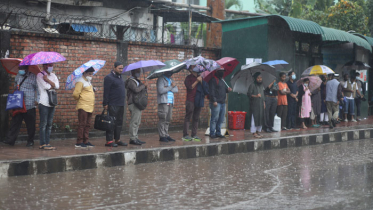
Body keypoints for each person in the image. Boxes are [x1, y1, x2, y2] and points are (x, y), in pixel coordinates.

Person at [3, 66, 38, 147]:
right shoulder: (18, 76)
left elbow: (38, 89)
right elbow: (15, 85)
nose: (20, 70)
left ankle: (30, 141)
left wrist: (37, 100)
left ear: (26, 69)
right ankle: (10, 140)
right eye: (19, 68)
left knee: (30, 124)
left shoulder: (33, 76)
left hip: (29, 104)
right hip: (18, 103)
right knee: (15, 122)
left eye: (22, 68)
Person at [103, 61, 126, 147]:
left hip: (120, 104)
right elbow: (106, 92)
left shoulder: (120, 77)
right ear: (114, 68)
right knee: (111, 123)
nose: (121, 70)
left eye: (122, 68)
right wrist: (105, 103)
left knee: (119, 123)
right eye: (119, 68)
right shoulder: (109, 78)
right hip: (113, 104)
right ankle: (109, 140)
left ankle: (117, 139)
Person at [182, 66, 209, 141]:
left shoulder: (201, 78)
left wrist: (201, 81)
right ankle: (185, 134)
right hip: (190, 100)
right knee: (188, 117)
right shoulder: (188, 78)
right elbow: (190, 87)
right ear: (190, 70)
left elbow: (206, 91)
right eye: (193, 68)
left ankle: (194, 134)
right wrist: (197, 81)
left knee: (196, 118)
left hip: (199, 100)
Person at [37, 63, 59, 150]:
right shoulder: (40, 75)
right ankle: (42, 143)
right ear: (44, 66)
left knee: (49, 124)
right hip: (43, 102)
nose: (50, 67)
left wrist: (48, 80)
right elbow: (46, 87)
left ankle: (47, 142)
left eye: (51, 65)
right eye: (48, 65)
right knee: (43, 124)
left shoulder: (53, 75)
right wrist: (51, 85)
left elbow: (57, 86)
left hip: (52, 102)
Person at [72, 67, 95, 148]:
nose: (91, 75)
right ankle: (79, 141)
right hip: (83, 106)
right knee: (82, 124)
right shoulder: (80, 81)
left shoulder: (88, 82)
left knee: (87, 125)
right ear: (84, 73)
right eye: (89, 74)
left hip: (90, 106)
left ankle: (86, 141)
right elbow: (75, 94)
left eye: (92, 74)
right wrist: (81, 99)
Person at [208, 68, 232, 138]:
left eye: (223, 71)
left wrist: (228, 90)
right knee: (214, 118)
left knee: (221, 119)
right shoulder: (213, 80)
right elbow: (212, 91)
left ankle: (218, 132)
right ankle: (212, 133)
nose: (222, 72)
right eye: (220, 71)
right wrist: (214, 100)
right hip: (216, 102)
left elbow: (224, 90)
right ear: (217, 71)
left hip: (222, 102)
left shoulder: (223, 80)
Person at [125, 68, 146, 145]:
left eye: (139, 71)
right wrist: (143, 86)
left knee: (137, 121)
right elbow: (136, 90)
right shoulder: (131, 81)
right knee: (134, 121)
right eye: (137, 71)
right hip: (133, 103)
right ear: (133, 72)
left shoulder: (136, 80)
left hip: (138, 103)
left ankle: (136, 137)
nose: (138, 73)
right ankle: (132, 138)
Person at [157, 71, 178, 142]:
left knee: (168, 119)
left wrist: (167, 88)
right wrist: (171, 86)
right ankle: (162, 136)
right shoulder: (161, 79)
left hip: (171, 102)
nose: (170, 73)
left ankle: (166, 134)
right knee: (163, 118)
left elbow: (176, 90)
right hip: (164, 102)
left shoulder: (171, 79)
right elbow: (160, 90)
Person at [248, 72, 265, 138]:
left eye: (261, 78)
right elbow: (249, 94)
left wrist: (264, 103)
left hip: (261, 104)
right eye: (258, 78)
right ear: (255, 78)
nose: (260, 79)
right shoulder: (252, 85)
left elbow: (263, 95)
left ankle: (258, 131)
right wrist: (256, 96)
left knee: (260, 118)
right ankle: (254, 132)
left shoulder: (261, 86)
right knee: (254, 118)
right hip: (254, 105)